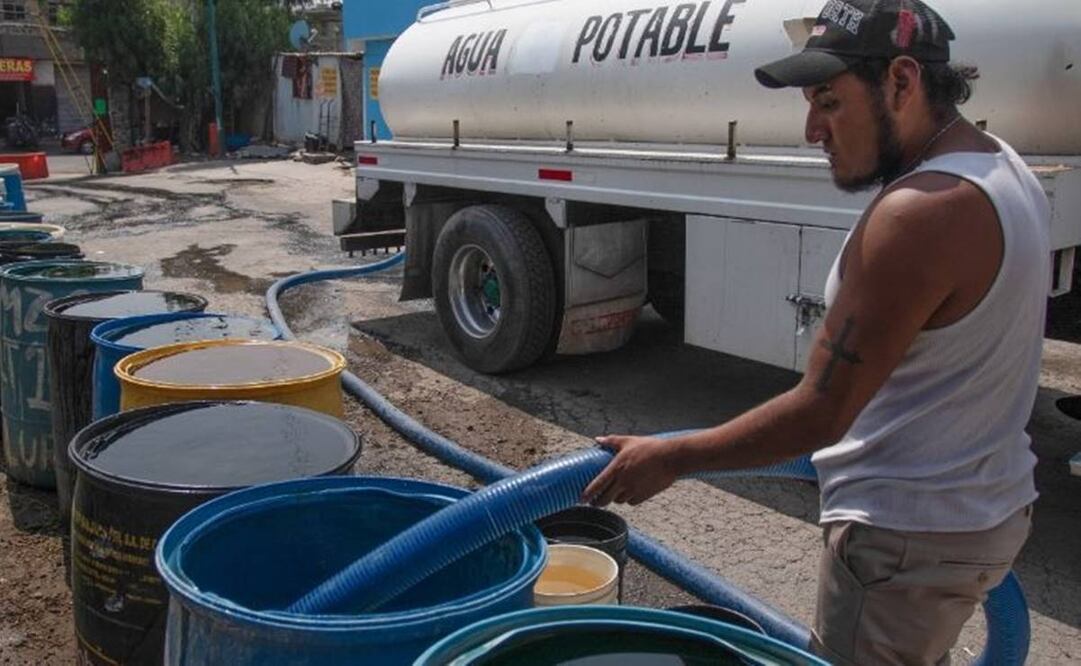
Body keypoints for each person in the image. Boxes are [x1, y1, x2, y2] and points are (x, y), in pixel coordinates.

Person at [582, 0, 1049, 663]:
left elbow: (821, 411)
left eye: (828, 102)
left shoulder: (918, 216)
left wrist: (672, 456)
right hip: (971, 515)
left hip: (904, 537)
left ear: (901, 82)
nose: (810, 130)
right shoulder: (999, 165)